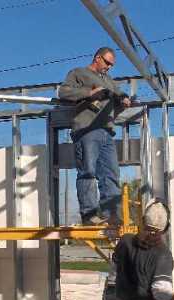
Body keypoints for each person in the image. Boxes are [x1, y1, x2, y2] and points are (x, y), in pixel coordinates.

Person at [58, 47, 131, 225]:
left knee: (111, 173)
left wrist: (124, 99)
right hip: (86, 129)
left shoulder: (109, 81)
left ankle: (112, 213)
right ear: (97, 58)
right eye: (107, 63)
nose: (109, 67)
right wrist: (89, 93)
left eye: (112, 65)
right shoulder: (79, 73)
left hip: (106, 131)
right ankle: (89, 215)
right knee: (88, 172)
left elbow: (119, 94)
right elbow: (63, 92)